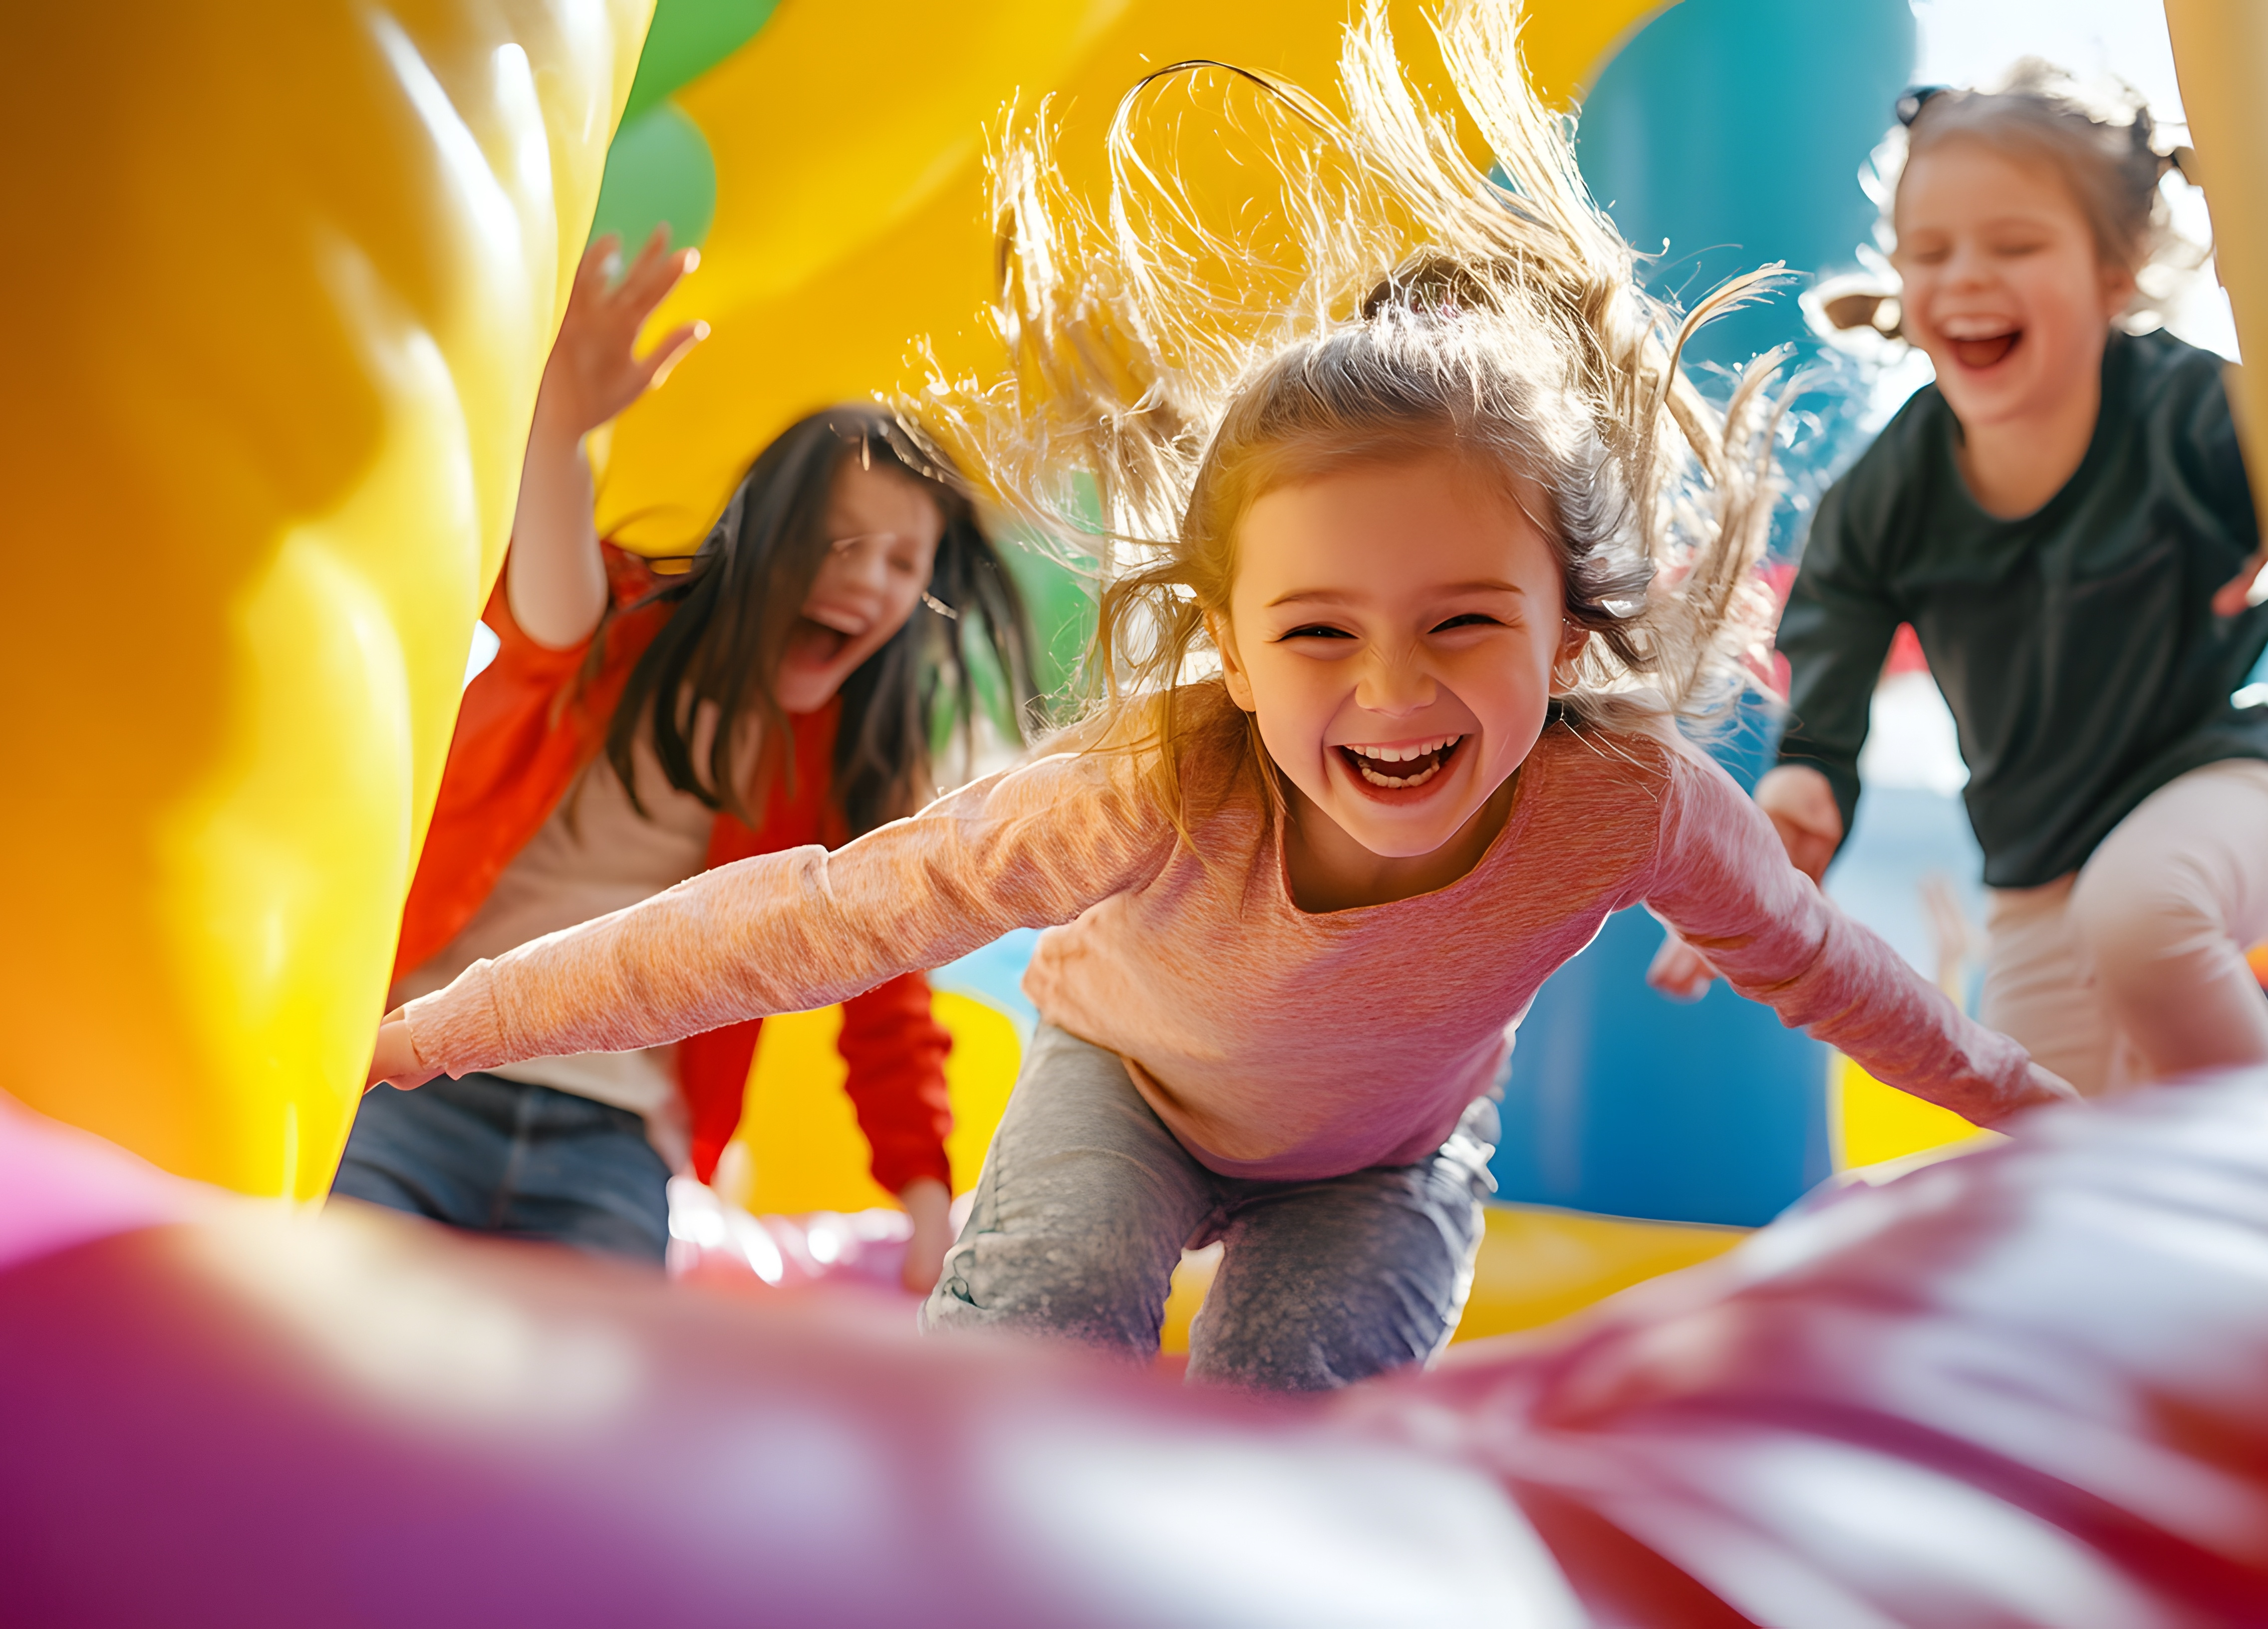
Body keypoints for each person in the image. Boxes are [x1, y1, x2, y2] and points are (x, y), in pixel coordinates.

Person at [364, 0, 2071, 1392]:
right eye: (1318, 632)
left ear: (1569, 634)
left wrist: (2033, 1107)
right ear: (1232, 648)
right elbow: (813, 920)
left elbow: (1821, 964)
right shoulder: (1158, 780)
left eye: (1466, 619)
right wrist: (437, 1026)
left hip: (1384, 1165)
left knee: (1288, 1412)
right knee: (1051, 1308)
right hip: (1125, 1090)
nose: (1392, 687)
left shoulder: (1618, 799)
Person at [332, 228, 1040, 1292]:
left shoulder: (844, 771)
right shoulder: (610, 637)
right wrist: (560, 425)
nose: (868, 581)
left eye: (903, 560)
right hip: (417, 1083)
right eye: (838, 541)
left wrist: (928, 1201)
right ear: (763, 541)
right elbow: (549, 589)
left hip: (611, 1143)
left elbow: (886, 1006)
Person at [1650, 66, 2268, 1097]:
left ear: (2115, 268)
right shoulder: (1885, 498)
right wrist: (1801, 797)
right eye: (1930, 252)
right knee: (2034, 1112)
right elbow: (1827, 668)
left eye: (2013, 246)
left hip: (2222, 792)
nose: (1962, 277)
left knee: (2141, 921)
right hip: (2035, 876)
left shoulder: (2191, 413)